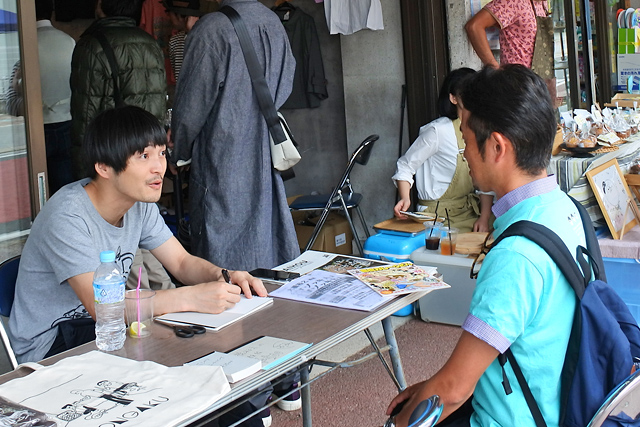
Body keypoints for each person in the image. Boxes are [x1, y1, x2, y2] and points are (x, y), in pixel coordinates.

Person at [386, 65, 584, 427]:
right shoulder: (566, 209)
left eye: (466, 140)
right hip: (558, 399)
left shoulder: (517, 254)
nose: (463, 153)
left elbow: (454, 390)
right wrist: (433, 387)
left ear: (496, 147)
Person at [8, 105, 266, 367]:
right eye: (144, 156)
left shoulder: (139, 204)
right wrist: (189, 297)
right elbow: (102, 309)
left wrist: (224, 275)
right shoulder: (66, 216)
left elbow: (181, 263)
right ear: (104, 167)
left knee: (200, 341)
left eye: (162, 153)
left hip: (106, 329)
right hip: (52, 344)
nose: (159, 168)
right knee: (177, 346)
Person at [170, 0, 299, 273]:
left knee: (222, 249)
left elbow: (190, 107)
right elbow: (287, 82)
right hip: (265, 147)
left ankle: (233, 305)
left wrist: (177, 152)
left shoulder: (212, 29)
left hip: (222, 156)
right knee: (267, 232)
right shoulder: (273, 22)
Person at [70, 0, 167, 180]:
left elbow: (85, 114)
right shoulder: (150, 43)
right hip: (147, 152)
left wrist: (83, 172)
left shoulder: (91, 46)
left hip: (113, 156)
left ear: (100, 5)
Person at [392, 68, 493, 233]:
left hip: (471, 211)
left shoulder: (482, 130)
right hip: (438, 217)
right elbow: (405, 166)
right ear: (453, 98)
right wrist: (405, 198)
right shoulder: (437, 131)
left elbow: (486, 181)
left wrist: (484, 216)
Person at [5, 0, 76, 195]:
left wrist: (14, 88)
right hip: (67, 127)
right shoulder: (69, 42)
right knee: (66, 191)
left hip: (35, 131)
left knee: (38, 193)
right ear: (52, 11)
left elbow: (12, 105)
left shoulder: (23, 46)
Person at [163, 0, 203, 81]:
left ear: (179, 16)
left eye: (168, 12)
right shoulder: (174, 41)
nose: (168, 16)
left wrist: (192, 33)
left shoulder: (205, 38)